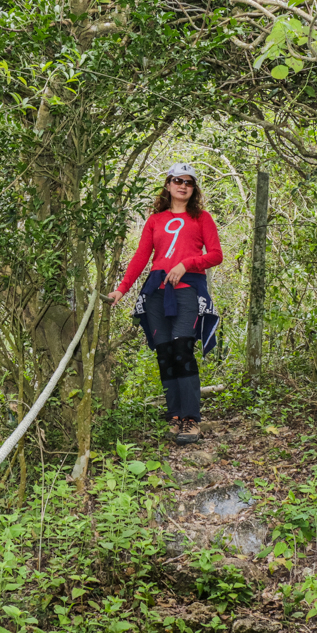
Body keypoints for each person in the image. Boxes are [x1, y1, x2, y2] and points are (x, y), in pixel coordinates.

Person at [107, 163, 222, 445]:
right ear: (168, 185)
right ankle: (174, 415)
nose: (183, 185)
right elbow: (141, 257)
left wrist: (187, 263)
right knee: (165, 353)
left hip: (187, 292)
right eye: (177, 180)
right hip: (157, 293)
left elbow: (216, 255)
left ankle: (191, 419)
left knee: (183, 349)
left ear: (194, 189)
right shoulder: (155, 221)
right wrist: (122, 289)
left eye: (189, 182)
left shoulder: (202, 218)